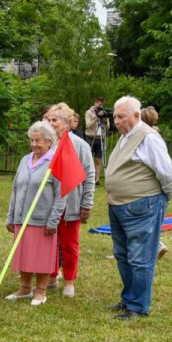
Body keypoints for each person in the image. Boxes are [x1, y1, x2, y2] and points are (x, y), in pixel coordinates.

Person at [106, 96, 172, 319]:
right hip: (119, 205)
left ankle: (138, 306)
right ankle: (129, 299)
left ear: (137, 116)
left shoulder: (148, 138)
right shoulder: (125, 137)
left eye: (122, 116)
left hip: (142, 205)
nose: (117, 121)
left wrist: (161, 200)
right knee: (123, 254)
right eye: (115, 117)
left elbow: (167, 175)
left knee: (140, 257)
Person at [5, 122, 67, 306]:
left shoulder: (55, 162)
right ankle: (24, 288)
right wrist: (11, 216)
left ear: (49, 141)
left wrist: (53, 220)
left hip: (43, 219)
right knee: (23, 253)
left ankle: (41, 291)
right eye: (31, 140)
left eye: (38, 140)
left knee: (41, 257)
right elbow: (16, 189)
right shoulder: (25, 160)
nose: (34, 144)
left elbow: (61, 194)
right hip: (21, 217)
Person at [44, 103, 96, 298]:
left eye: (54, 120)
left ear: (66, 124)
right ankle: (50, 277)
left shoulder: (79, 145)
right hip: (47, 203)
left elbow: (89, 175)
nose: (50, 123)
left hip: (70, 202)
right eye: (48, 119)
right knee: (48, 242)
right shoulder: (44, 142)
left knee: (69, 244)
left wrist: (86, 203)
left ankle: (69, 281)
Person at [85, 97, 107, 161]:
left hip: (100, 138)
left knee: (98, 160)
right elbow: (88, 126)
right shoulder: (89, 112)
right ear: (95, 103)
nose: (99, 105)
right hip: (90, 137)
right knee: (89, 159)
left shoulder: (104, 112)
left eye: (101, 104)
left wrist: (105, 120)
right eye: (98, 103)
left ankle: (97, 171)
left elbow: (107, 127)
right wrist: (97, 117)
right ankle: (89, 171)